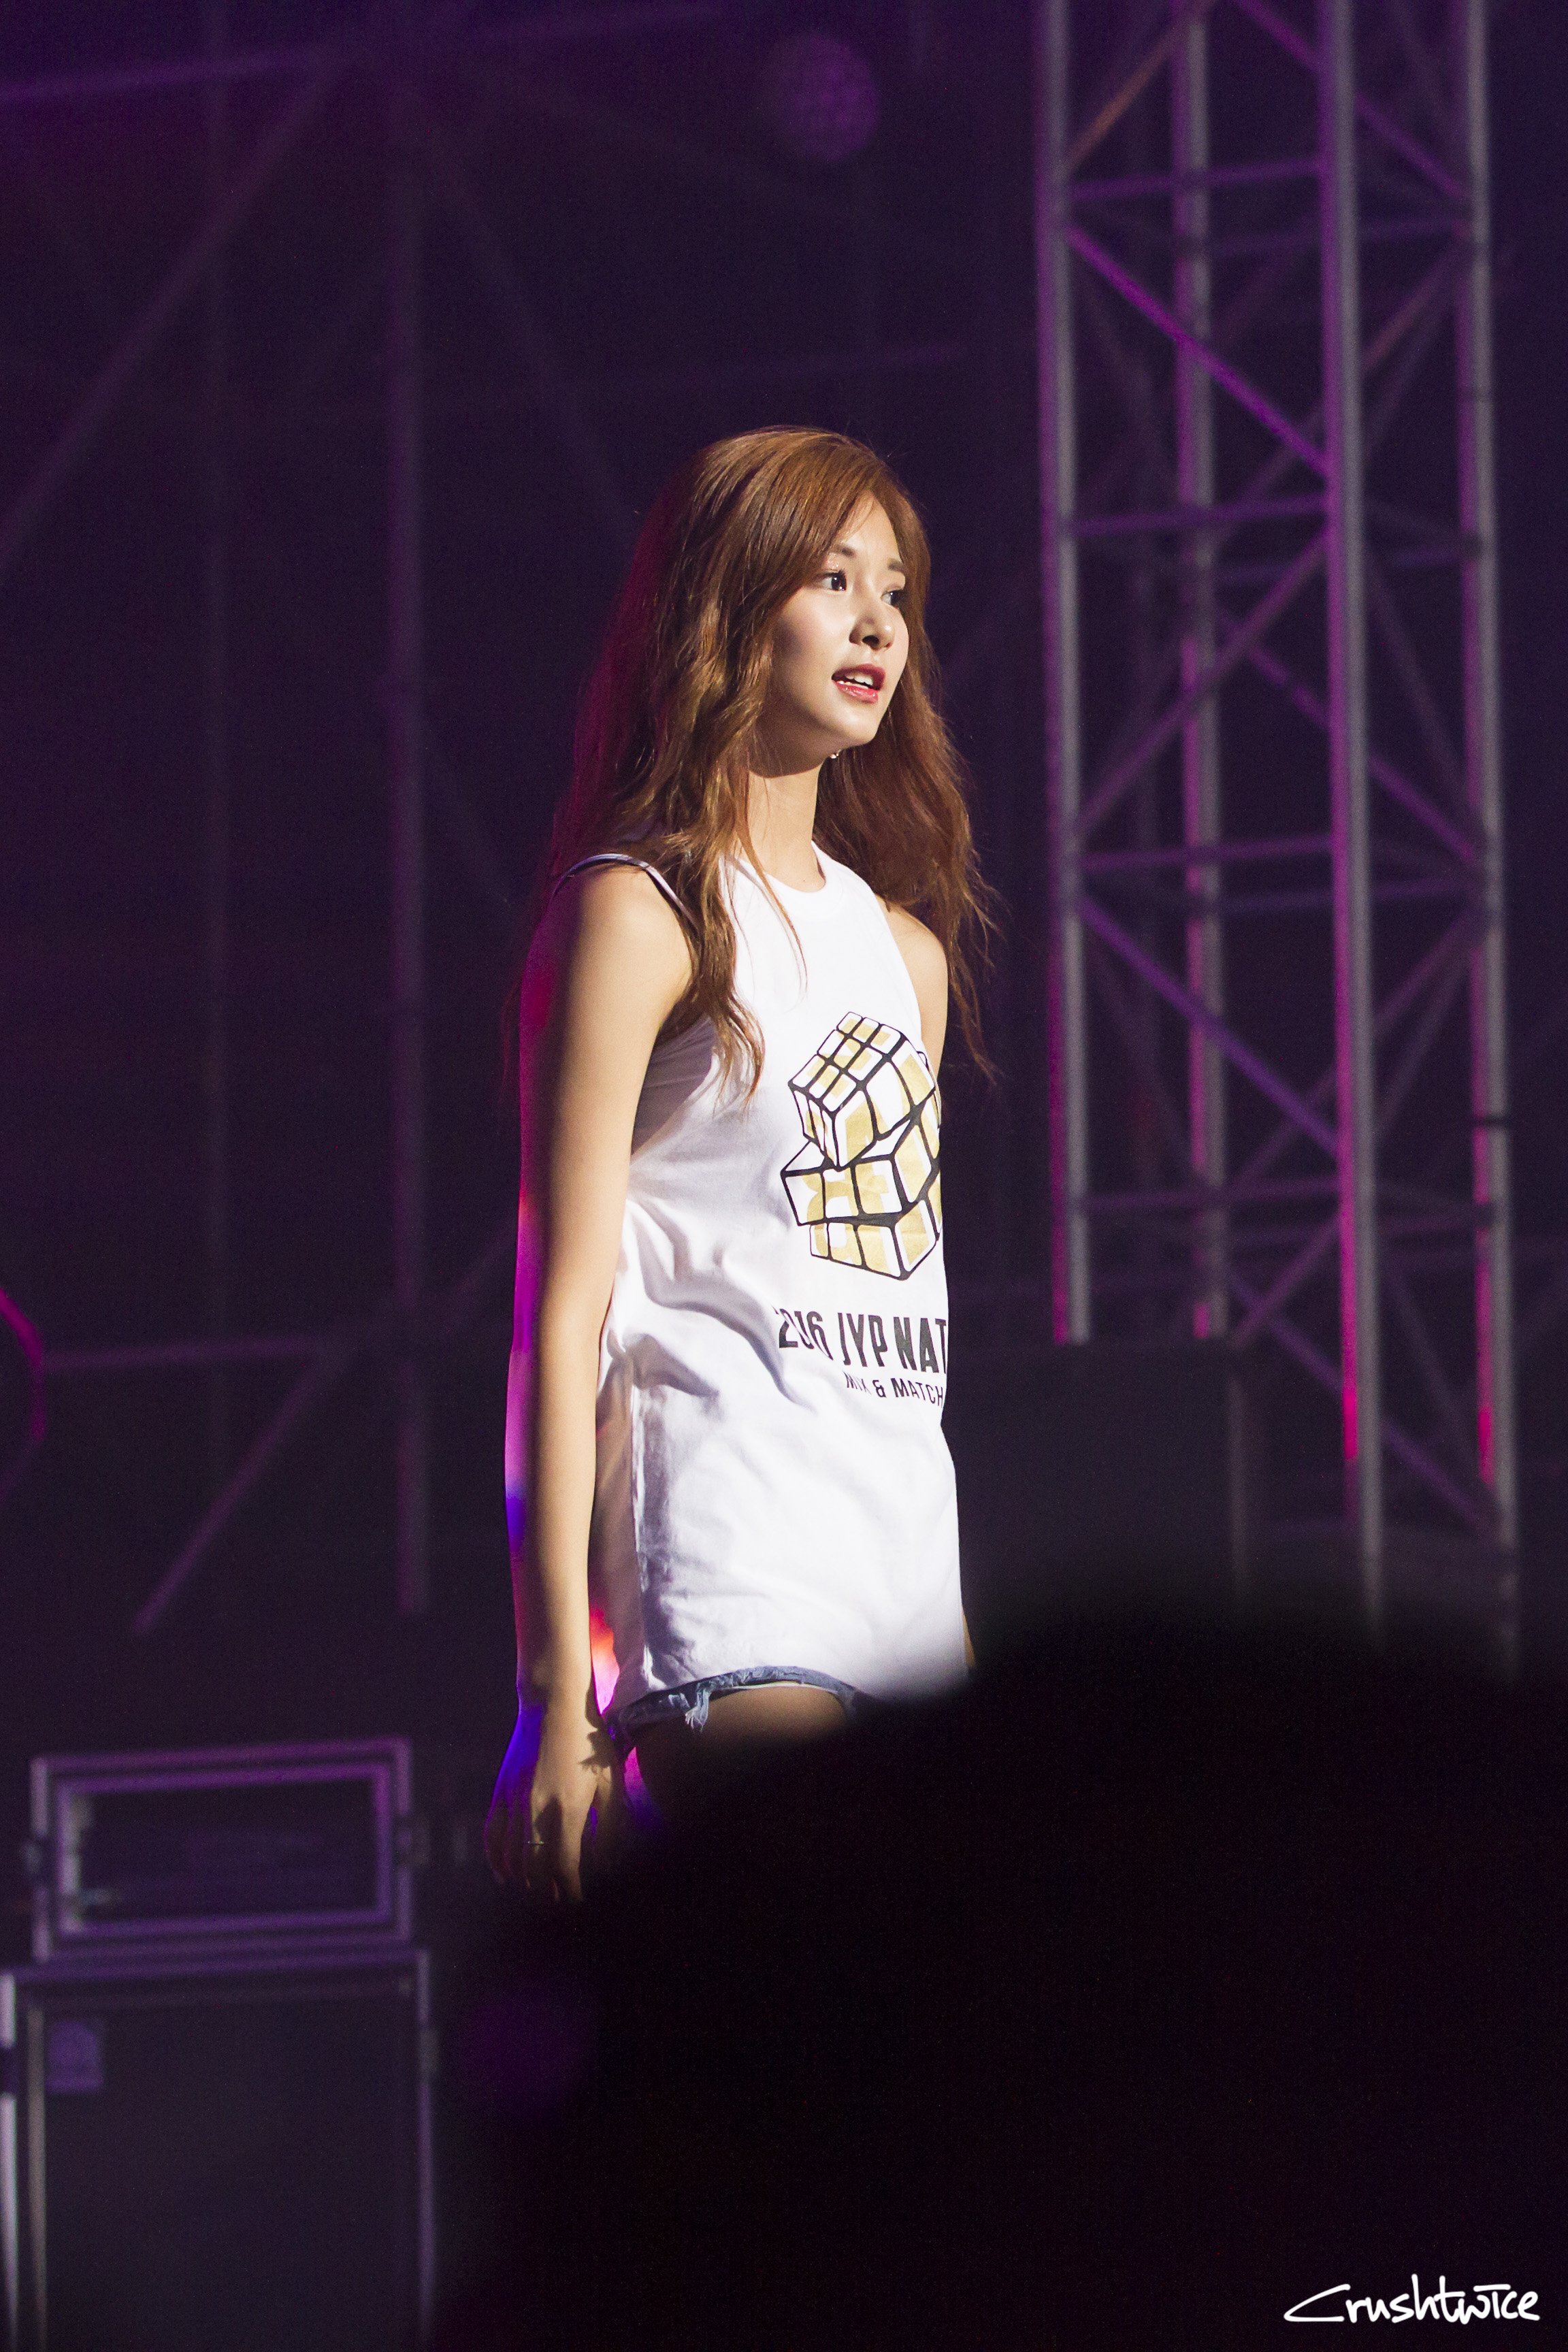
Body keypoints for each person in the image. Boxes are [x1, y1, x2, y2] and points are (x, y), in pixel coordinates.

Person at [484, 427, 992, 1898]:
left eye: (895, 590)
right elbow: (560, 1315)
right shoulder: (639, 915)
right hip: (734, 1575)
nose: (877, 623)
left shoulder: (904, 956)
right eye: (833, 580)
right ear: (731, 605)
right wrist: (553, 1693)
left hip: (905, 1588)